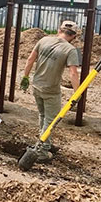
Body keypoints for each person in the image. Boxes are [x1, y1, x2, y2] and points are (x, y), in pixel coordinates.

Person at [20, 21, 81, 154]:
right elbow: (73, 73)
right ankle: (42, 151)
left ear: (59, 30)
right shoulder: (70, 50)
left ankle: (42, 142)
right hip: (51, 90)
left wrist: (25, 77)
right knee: (51, 120)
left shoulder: (44, 40)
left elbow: (30, 59)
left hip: (36, 85)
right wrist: (77, 93)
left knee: (42, 115)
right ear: (74, 36)